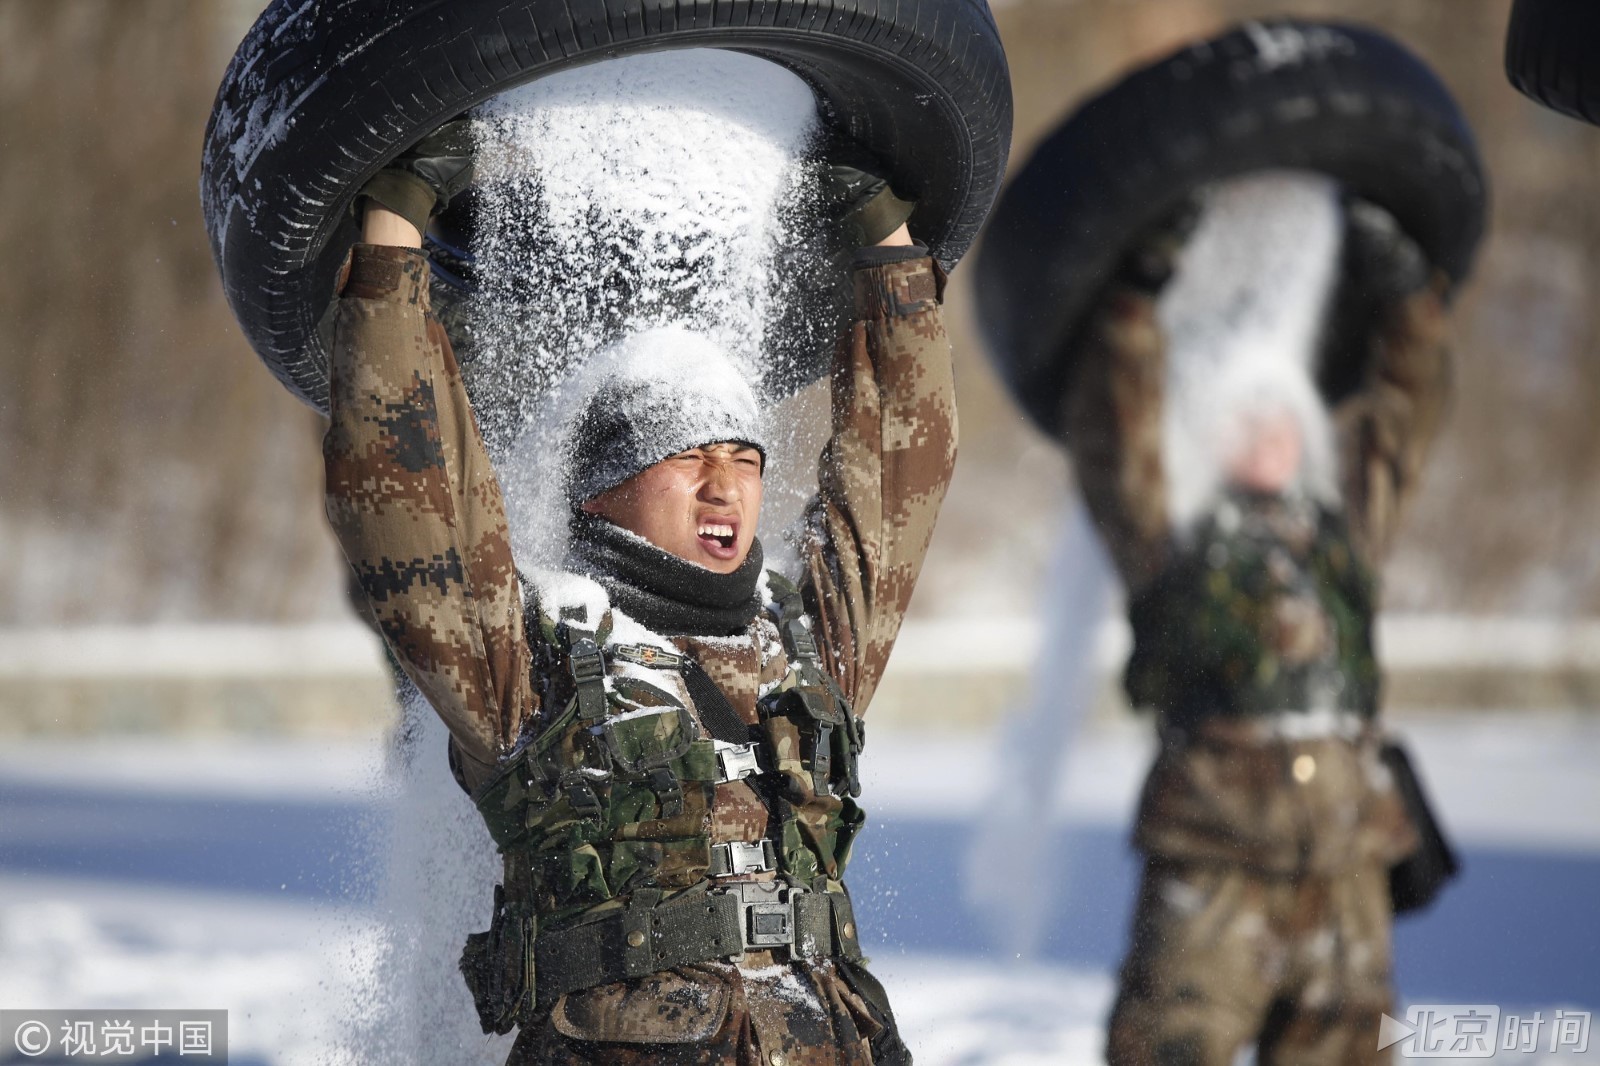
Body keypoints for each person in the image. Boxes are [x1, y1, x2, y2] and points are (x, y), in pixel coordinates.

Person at [322, 122, 954, 1065]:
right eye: (686, 457)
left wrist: (888, 253)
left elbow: (896, 481)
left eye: (744, 459)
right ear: (599, 488)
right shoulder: (528, 661)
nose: (724, 486)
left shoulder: (805, 648)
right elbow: (407, 493)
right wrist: (394, 232)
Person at [1063, 197, 1453, 1066]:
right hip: (1215, 854)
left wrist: (1409, 303)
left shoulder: (1342, 527)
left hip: (1349, 855)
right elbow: (1116, 431)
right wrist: (1136, 296)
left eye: (1279, 410)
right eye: (1241, 412)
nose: (1266, 429)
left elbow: (1404, 420)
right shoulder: (1168, 530)